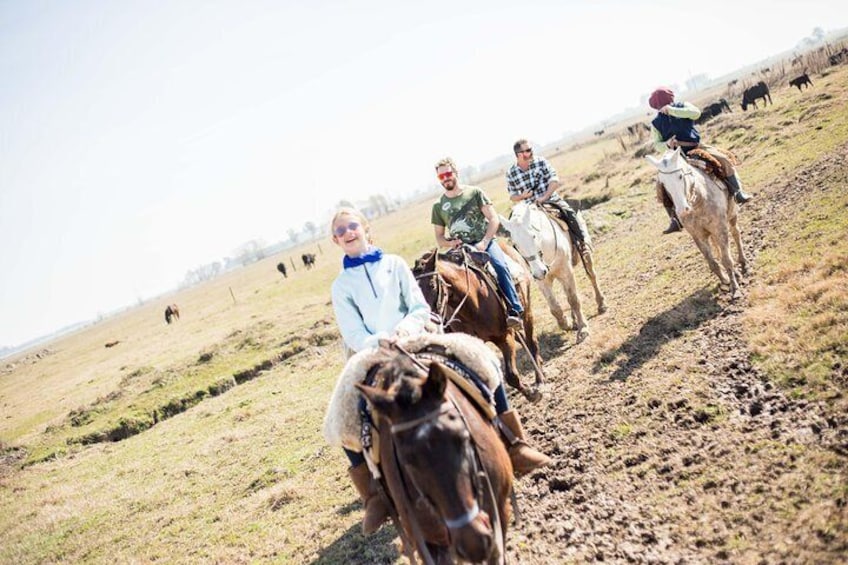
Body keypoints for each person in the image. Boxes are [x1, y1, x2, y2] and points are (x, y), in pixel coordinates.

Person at [329, 207, 551, 534]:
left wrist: (405, 328)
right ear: (336, 241)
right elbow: (352, 331)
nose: (348, 232)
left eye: (352, 226)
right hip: (372, 350)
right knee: (343, 410)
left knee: (481, 358)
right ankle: (373, 496)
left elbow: (419, 306)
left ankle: (515, 445)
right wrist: (379, 340)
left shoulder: (394, 264)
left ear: (365, 228)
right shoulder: (340, 285)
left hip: (416, 336)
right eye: (340, 231)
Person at [430, 157, 524, 329]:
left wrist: (485, 242)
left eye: (448, 174)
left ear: (455, 173)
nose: (446, 179)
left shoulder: (474, 193)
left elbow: (493, 219)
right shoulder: (438, 206)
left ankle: (514, 310)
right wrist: (452, 244)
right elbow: (439, 238)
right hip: (459, 250)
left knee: (500, 266)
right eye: (441, 177)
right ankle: (449, 325)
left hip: (484, 243)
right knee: (443, 280)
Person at [648, 87, 753, 234]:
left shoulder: (683, 106)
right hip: (674, 157)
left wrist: (672, 110)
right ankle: (675, 219)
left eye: (663, 104)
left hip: (696, 147)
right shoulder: (655, 123)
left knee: (724, 160)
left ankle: (737, 193)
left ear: (671, 100)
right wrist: (666, 144)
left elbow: (695, 114)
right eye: (659, 106)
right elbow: (656, 144)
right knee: (662, 184)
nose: (661, 108)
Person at [506, 139, 591, 256]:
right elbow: (512, 196)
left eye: (531, 149)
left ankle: (582, 244)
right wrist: (522, 196)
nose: (532, 152)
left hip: (550, 200)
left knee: (569, 212)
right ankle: (526, 261)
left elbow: (554, 180)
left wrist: (544, 197)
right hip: (529, 209)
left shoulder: (541, 162)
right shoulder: (511, 172)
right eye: (528, 150)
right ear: (519, 154)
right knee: (518, 231)